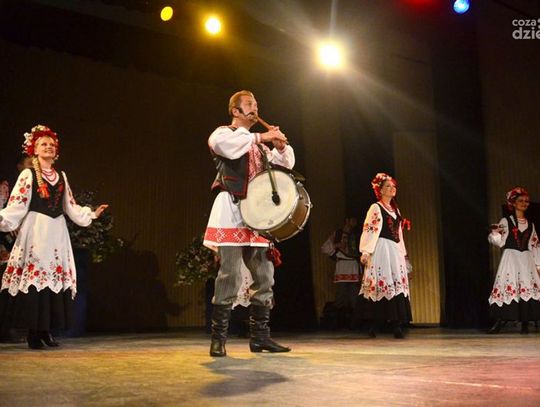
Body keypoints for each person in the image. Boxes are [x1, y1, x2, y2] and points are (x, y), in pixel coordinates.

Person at [0, 125, 108, 349]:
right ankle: (33, 332)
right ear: (34, 149)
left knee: (53, 280)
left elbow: (70, 205)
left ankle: (46, 331)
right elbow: (17, 204)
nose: (48, 147)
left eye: (51, 144)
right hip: (36, 231)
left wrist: (90, 214)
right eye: (43, 144)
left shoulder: (61, 176)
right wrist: (4, 219)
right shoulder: (28, 175)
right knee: (36, 280)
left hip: (57, 233)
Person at [203, 90, 294, 357]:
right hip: (232, 209)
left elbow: (286, 164)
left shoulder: (259, 146)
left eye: (256, 103)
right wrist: (262, 136)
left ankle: (260, 338)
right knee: (229, 275)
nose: (255, 107)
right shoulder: (224, 133)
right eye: (249, 104)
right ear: (236, 111)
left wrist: (280, 145)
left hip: (257, 215)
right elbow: (227, 146)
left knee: (265, 276)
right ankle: (218, 339)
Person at [358, 173, 412, 338]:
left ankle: (396, 324)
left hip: (394, 250)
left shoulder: (396, 210)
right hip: (381, 248)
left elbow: (399, 234)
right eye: (388, 186)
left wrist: (403, 254)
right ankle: (374, 325)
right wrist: (366, 251)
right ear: (380, 190)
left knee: (395, 284)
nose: (392, 188)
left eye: (393, 186)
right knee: (382, 282)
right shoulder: (376, 207)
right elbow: (370, 229)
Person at [487, 187, 540, 334]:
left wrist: (538, 265)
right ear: (513, 203)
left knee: (526, 286)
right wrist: (495, 233)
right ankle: (500, 321)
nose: (524, 203)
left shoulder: (530, 224)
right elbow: (500, 242)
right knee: (508, 284)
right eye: (521, 201)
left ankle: (525, 322)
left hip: (526, 259)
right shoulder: (506, 221)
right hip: (511, 258)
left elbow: (535, 245)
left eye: (526, 201)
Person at [321, 217, 361, 328]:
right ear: (347, 220)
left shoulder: (356, 235)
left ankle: (353, 323)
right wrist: (336, 246)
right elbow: (324, 248)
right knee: (341, 295)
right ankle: (338, 323)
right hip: (342, 265)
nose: (354, 222)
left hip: (353, 265)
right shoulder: (337, 234)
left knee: (354, 296)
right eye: (352, 219)